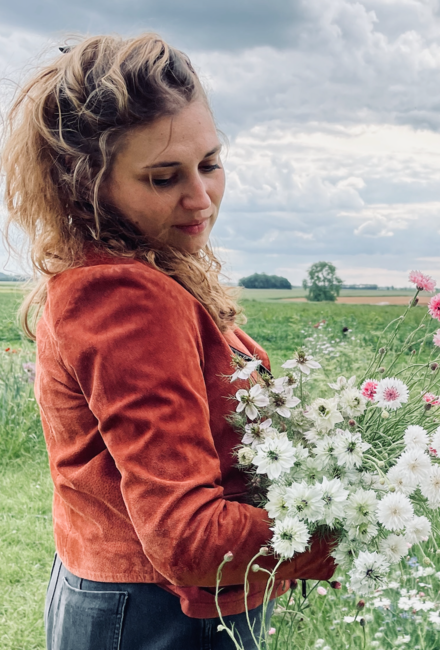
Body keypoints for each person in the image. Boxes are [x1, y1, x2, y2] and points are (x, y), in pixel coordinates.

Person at [0, 34, 335, 649]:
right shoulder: (126, 297)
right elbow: (187, 536)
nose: (200, 198)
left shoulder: (131, 268)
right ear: (89, 184)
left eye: (210, 163)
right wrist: (333, 527)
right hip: (157, 620)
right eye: (162, 178)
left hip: (122, 603)